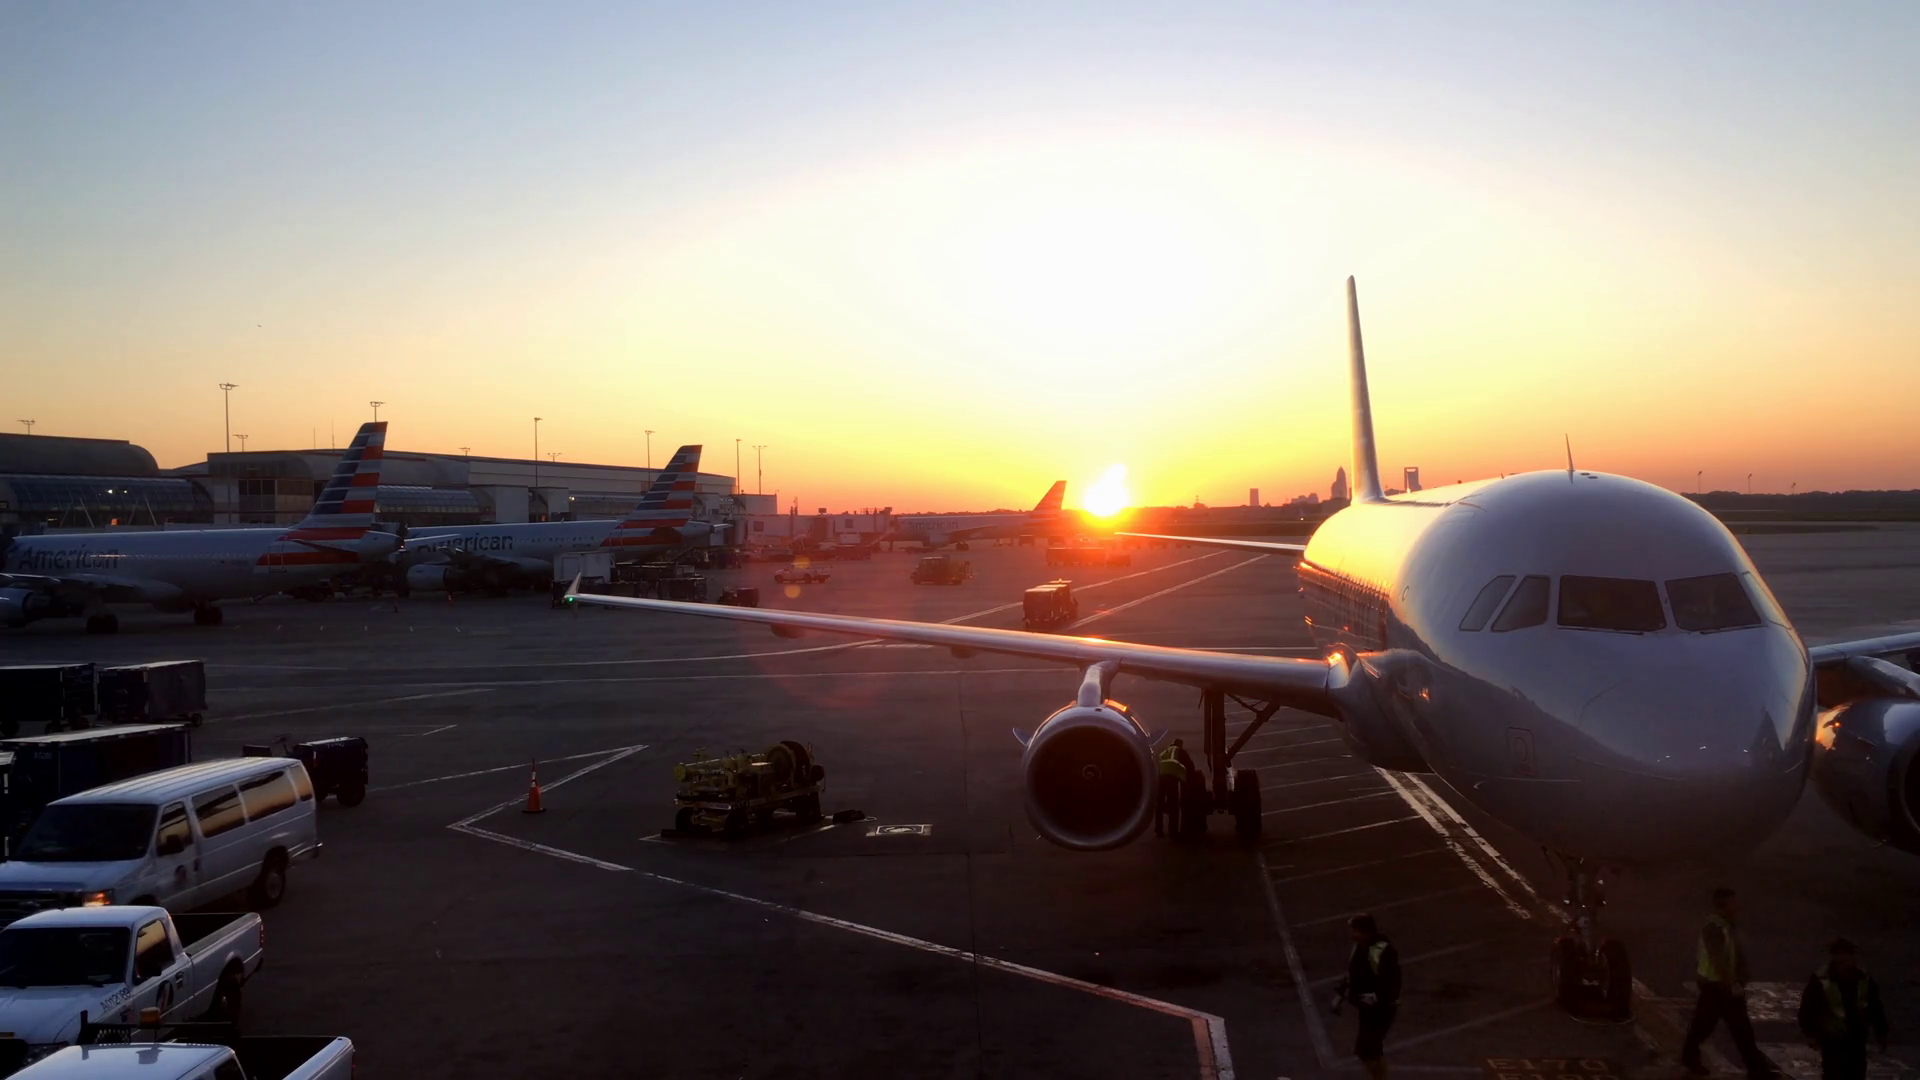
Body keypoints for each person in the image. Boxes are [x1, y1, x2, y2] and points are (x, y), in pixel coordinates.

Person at [1682, 887, 1777, 1079]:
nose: (1737, 906)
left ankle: (1757, 1069)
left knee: (1737, 1030)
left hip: (1721, 987)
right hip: (1716, 987)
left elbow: (1733, 955)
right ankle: (1690, 1056)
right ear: (1723, 906)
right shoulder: (1715, 928)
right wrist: (1732, 982)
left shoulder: (1726, 925)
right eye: (1733, 903)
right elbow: (1718, 959)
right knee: (1709, 1027)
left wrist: (1741, 977)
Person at [1797, 938, 1888, 1080]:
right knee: (1833, 1074)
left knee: (1856, 1074)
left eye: (1846, 954)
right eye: (1839, 954)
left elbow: (1875, 1005)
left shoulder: (1863, 978)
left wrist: (1881, 1031)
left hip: (1856, 1036)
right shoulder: (1821, 979)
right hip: (1832, 1038)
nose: (1843, 958)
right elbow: (1808, 1007)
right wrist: (1810, 1033)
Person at [1337, 914, 1400, 1080]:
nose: (1352, 934)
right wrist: (1339, 995)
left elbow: (1393, 982)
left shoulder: (1383, 951)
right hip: (1366, 1007)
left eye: (1355, 930)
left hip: (1382, 1009)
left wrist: (1375, 997)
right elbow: (1352, 973)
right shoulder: (1360, 946)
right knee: (1371, 1050)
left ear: (1366, 932)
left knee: (1366, 1050)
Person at [1154, 744, 1186, 837]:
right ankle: (1173, 831)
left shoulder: (1164, 752)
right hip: (1171, 779)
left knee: (1159, 805)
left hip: (1161, 778)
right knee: (1173, 805)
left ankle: (1158, 829)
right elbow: (1189, 764)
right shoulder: (1179, 750)